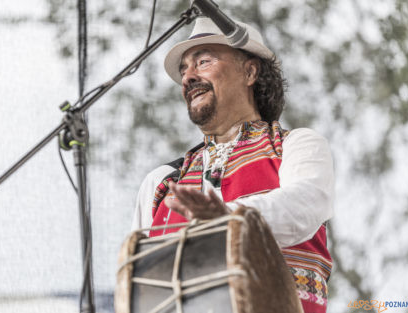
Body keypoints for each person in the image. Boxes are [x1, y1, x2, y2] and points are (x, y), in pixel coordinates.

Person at [132, 17, 334, 313]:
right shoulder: (160, 183)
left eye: (203, 61)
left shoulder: (296, 145)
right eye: (183, 69)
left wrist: (228, 219)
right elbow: (138, 288)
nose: (188, 77)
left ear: (249, 71)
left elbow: (303, 205)